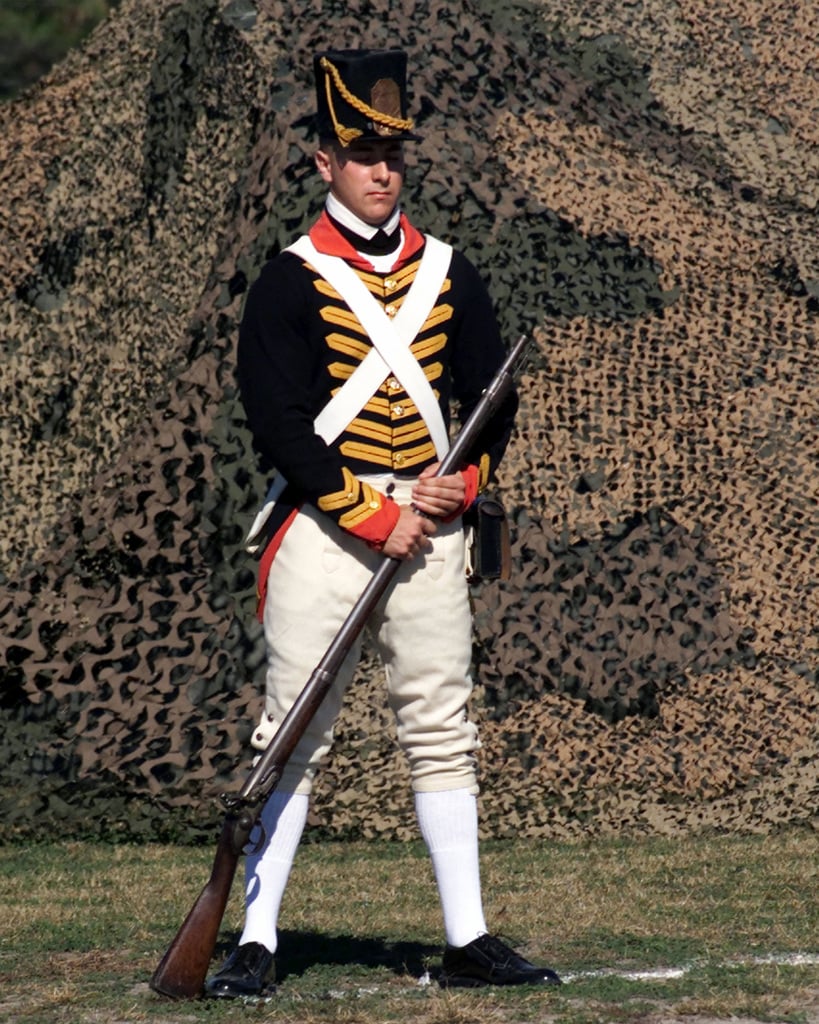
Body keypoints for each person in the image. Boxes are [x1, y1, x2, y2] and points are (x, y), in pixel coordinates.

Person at [205, 47, 561, 999]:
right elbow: (276, 418)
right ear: (324, 162)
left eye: (392, 152)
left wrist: (459, 485)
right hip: (325, 530)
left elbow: (493, 397)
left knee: (441, 728)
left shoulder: (451, 273)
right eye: (361, 152)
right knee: (291, 735)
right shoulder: (287, 281)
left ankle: (468, 936)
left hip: (431, 531)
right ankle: (256, 936)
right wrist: (369, 510)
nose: (381, 168)